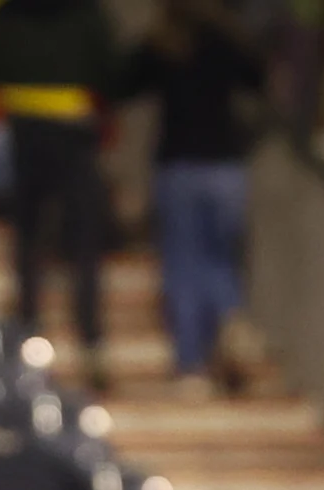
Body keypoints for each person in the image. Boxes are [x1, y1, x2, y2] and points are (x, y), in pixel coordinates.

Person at [0, 0, 119, 377]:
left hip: (23, 131)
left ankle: (28, 334)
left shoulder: (9, 15)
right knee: (81, 239)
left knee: (29, 236)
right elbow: (111, 73)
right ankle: (90, 342)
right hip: (71, 129)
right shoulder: (87, 16)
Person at [117, 0, 265, 387]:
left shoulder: (165, 44)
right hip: (226, 167)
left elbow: (123, 83)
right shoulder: (228, 40)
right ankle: (231, 314)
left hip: (180, 166)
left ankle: (191, 364)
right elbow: (260, 81)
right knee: (221, 258)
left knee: (183, 265)